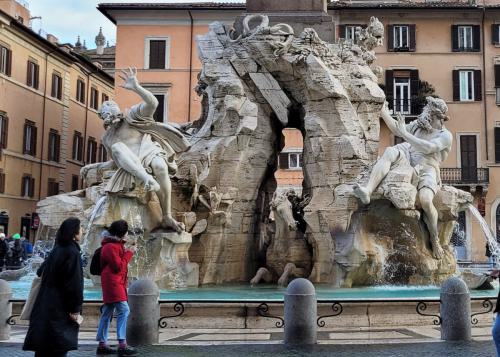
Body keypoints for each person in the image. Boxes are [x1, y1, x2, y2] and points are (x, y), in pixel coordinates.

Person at [80, 67, 190, 233]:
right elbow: (116, 162)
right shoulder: (108, 138)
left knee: (160, 167)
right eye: (104, 112)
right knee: (117, 147)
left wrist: (136, 87)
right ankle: (147, 179)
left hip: (148, 152)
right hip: (132, 165)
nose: (107, 111)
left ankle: (167, 215)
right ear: (103, 118)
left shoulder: (132, 117)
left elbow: (153, 103)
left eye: (110, 107)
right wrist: (94, 166)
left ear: (117, 109)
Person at [353, 97, 452, 259]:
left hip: (428, 168)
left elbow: (428, 148)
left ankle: (434, 238)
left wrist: (405, 134)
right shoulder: (419, 126)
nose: (423, 111)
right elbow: (398, 130)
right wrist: (383, 111)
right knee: (390, 151)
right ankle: (368, 191)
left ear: (435, 115)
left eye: (427, 109)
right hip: (408, 157)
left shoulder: (445, 135)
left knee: (426, 200)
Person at [23, 217, 84, 357]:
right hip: (60, 310)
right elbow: (74, 284)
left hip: (44, 305)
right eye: (80, 228)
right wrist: (75, 309)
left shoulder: (56, 249)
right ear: (74, 233)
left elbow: (40, 272)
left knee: (43, 349)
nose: (82, 231)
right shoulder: (72, 252)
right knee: (58, 347)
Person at [96, 219, 137, 356]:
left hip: (113, 282)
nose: (127, 235)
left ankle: (102, 344)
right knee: (124, 310)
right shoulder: (110, 247)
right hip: (113, 283)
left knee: (107, 311)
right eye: (126, 232)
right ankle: (122, 344)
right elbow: (118, 267)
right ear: (122, 233)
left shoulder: (113, 245)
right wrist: (129, 253)